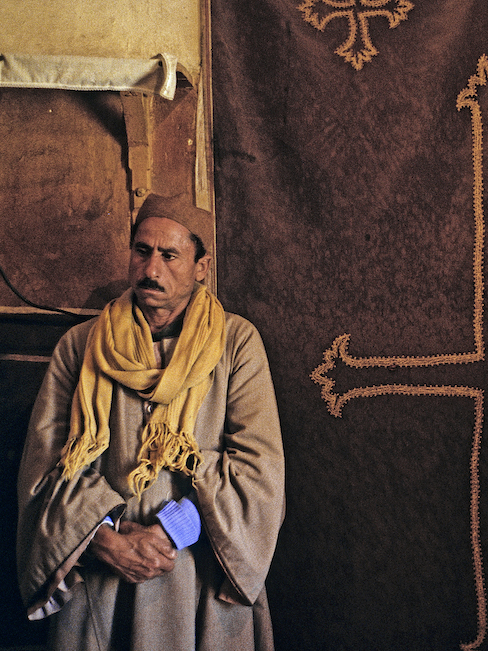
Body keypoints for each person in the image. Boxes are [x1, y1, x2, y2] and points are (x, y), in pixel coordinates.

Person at [16, 193, 285, 650]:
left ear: (201, 266)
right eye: (142, 251)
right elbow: (43, 471)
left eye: (170, 255)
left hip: (196, 576)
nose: (152, 269)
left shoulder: (236, 344)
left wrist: (175, 529)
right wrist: (104, 538)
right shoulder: (80, 347)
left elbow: (260, 475)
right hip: (101, 582)